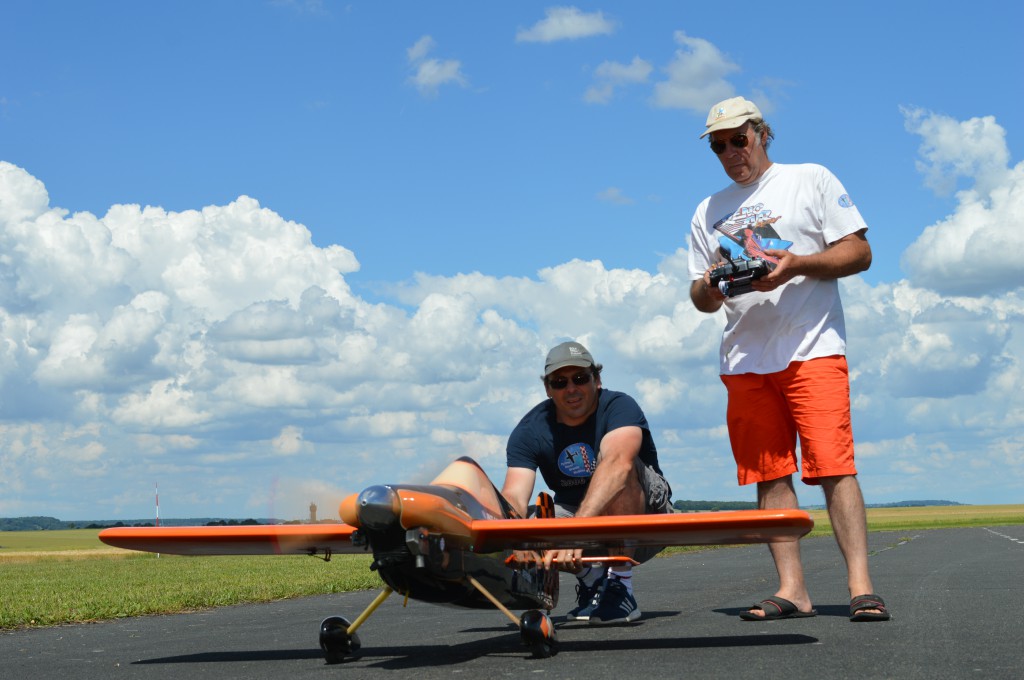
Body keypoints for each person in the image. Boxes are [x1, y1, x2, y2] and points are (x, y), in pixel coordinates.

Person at [687, 96, 890, 622]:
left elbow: (860, 252)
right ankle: (792, 590)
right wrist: (712, 289)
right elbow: (699, 294)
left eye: (740, 139)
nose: (732, 152)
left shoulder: (811, 178)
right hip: (744, 358)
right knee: (770, 473)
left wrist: (797, 264)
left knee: (833, 467)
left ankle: (861, 587)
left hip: (812, 347)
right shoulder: (707, 211)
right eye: (719, 145)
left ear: (762, 133)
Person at [501, 341, 672, 624]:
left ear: (597, 379)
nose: (571, 389)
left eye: (580, 378)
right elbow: (514, 496)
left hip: (645, 517)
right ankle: (591, 579)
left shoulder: (620, 406)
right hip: (578, 518)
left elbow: (619, 463)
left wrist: (574, 532)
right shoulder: (530, 428)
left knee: (616, 464)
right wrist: (510, 539)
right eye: (560, 382)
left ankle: (620, 587)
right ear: (548, 388)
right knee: (525, 518)